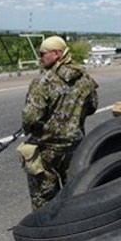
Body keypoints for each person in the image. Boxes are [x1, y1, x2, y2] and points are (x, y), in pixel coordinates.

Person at [19, 35, 98, 210]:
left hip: (47, 150)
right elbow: (93, 106)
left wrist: (33, 129)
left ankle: (47, 233)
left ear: (56, 54)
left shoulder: (43, 81)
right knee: (76, 194)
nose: (39, 58)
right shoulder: (84, 77)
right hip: (75, 148)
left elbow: (30, 118)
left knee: (45, 200)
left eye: (42, 54)